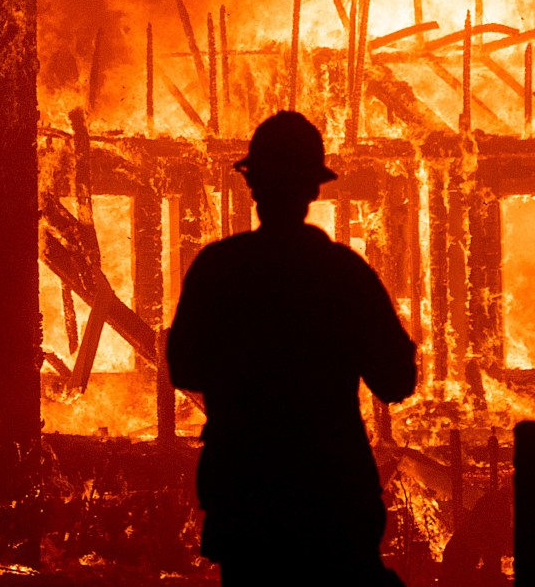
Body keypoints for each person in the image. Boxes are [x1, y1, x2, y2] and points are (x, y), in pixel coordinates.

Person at [167, 110, 418, 585]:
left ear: (253, 186)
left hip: (246, 496)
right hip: (331, 495)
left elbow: (184, 368)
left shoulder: (218, 270)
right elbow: (396, 380)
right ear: (314, 189)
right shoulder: (344, 275)